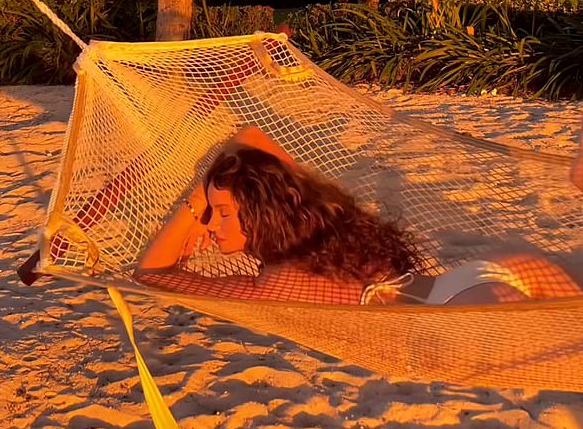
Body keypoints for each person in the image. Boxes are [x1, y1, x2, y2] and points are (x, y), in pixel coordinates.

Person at [135, 126, 583, 306]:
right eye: (211, 214)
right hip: (483, 277)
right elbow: (250, 138)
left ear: (263, 212)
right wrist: (214, 194)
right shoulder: (327, 236)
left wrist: (195, 203)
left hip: (466, 309)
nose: (211, 224)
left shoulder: (279, 282)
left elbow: (153, 272)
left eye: (223, 213)